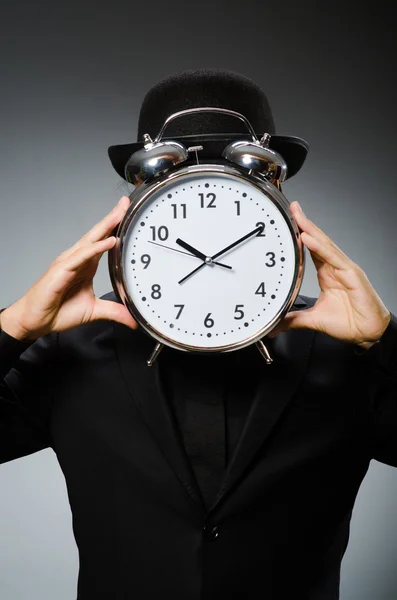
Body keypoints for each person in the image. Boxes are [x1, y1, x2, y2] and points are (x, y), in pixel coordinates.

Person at [0, 68, 396, 600]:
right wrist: (15, 324)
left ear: (275, 199)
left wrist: (386, 339)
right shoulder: (70, 350)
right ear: (135, 209)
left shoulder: (347, 350)